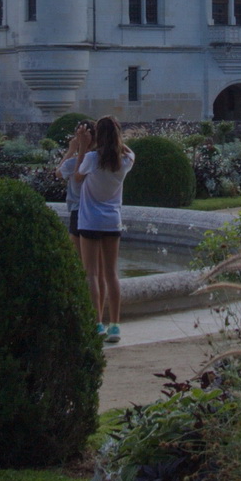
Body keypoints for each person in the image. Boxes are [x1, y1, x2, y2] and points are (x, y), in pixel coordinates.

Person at [77, 117, 136, 342]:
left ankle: (97, 323)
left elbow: (78, 175)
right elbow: (130, 152)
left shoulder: (92, 158)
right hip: (112, 220)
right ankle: (116, 325)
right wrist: (117, 142)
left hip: (90, 220)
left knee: (91, 273)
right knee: (112, 274)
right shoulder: (126, 160)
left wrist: (84, 145)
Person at [58, 120, 94, 248]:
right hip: (97, 210)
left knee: (77, 255)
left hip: (78, 210)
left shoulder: (71, 163)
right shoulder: (99, 159)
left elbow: (58, 173)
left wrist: (71, 150)